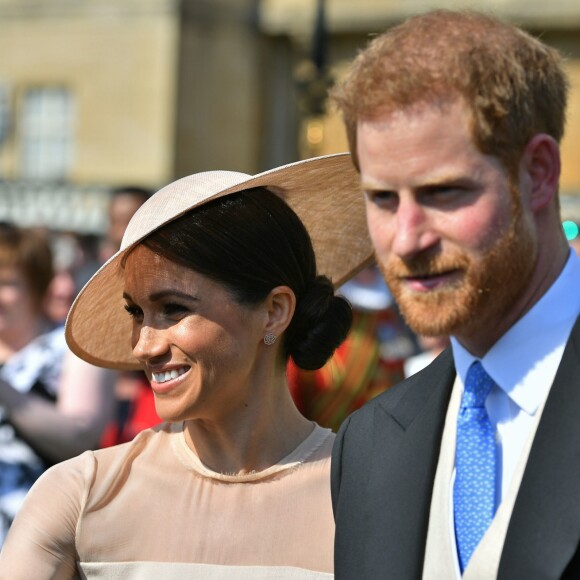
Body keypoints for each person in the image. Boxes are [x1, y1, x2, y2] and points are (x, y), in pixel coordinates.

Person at [0, 154, 373, 578]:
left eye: (173, 309)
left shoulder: (368, 496)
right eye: (137, 313)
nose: (144, 345)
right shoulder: (81, 496)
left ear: (273, 312)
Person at [329, 9, 580, 579]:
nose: (406, 239)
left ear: (538, 173)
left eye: (444, 193)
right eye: (383, 199)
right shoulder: (370, 445)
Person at [0, 223, 115, 545]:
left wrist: (6, 392)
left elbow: (79, 436)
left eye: (8, 283)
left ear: (38, 287)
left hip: (37, 539)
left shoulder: (71, 348)